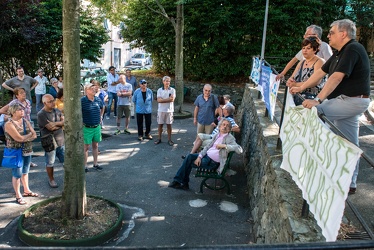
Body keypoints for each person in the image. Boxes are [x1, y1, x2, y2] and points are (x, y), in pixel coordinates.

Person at [290, 19, 371, 195]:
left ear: (343, 34)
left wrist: (318, 101)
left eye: (331, 32)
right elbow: (321, 73)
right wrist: (301, 87)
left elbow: (335, 78)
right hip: (348, 101)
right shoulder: (339, 52)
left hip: (350, 101)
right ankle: (351, 183)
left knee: (314, 112)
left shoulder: (352, 49)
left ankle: (309, 164)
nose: (327, 35)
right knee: (351, 144)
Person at [168, 118, 243, 190]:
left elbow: (239, 149)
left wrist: (225, 146)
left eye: (227, 125)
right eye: (223, 124)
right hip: (206, 157)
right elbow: (207, 147)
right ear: (219, 127)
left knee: (188, 162)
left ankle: (180, 182)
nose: (225, 126)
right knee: (189, 157)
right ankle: (181, 182)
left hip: (212, 163)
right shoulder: (217, 135)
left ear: (229, 129)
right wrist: (199, 157)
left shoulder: (230, 138)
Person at [4, 103, 38, 205]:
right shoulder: (9, 124)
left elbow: (35, 135)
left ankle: (27, 190)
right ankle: (18, 195)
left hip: (27, 150)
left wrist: (27, 137)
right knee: (17, 174)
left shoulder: (25, 121)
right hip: (16, 152)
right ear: (13, 111)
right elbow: (19, 138)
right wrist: (28, 136)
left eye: (22, 109)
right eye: (20, 109)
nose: (22, 111)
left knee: (25, 171)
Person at [0, 87, 38, 168]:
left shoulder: (27, 101)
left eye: (24, 92)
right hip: (18, 124)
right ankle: (17, 160)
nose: (24, 94)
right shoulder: (14, 103)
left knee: (28, 143)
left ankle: (28, 161)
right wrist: (11, 115)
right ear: (17, 95)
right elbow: (1, 110)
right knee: (19, 141)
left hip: (27, 122)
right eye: (21, 93)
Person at [286, 37, 326, 105]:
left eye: (308, 48)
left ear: (315, 50)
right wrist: (290, 81)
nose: (305, 50)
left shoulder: (319, 62)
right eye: (303, 48)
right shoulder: (302, 62)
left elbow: (316, 82)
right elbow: (292, 77)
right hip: (298, 96)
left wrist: (296, 85)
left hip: (312, 99)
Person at [37, 94, 65, 188]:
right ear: (44, 103)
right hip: (49, 141)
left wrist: (55, 123)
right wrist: (59, 124)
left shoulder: (57, 110)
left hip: (60, 139)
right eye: (50, 101)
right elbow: (50, 127)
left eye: (53, 100)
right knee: (50, 162)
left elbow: (65, 122)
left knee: (65, 160)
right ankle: (51, 179)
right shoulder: (41, 114)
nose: (53, 103)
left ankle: (69, 177)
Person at [81, 83, 104, 172]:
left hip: (96, 126)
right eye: (91, 88)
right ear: (87, 90)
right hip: (87, 127)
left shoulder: (97, 99)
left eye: (94, 88)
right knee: (86, 147)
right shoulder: (82, 100)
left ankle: (95, 163)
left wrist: (100, 116)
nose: (94, 89)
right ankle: (85, 165)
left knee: (96, 145)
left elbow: (102, 107)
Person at [154, 76, 175, 146]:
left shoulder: (172, 90)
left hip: (169, 110)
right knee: (160, 125)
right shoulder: (159, 90)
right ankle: (159, 138)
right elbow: (158, 100)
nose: (167, 82)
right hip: (161, 110)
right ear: (163, 82)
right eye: (166, 81)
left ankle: (169, 139)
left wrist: (163, 100)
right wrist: (168, 99)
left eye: (168, 81)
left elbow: (172, 99)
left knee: (169, 125)